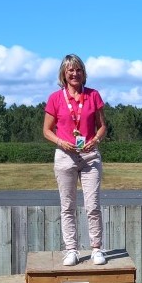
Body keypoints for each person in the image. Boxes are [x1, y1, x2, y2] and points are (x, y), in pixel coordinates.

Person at [43, 54, 107, 266]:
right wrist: (61, 142)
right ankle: (71, 249)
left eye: (78, 69)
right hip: (65, 155)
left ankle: (96, 248)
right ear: (64, 73)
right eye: (70, 70)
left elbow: (102, 127)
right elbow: (46, 130)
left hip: (90, 156)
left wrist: (95, 140)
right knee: (67, 206)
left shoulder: (93, 95)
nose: (74, 73)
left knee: (93, 205)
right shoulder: (55, 98)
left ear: (83, 73)